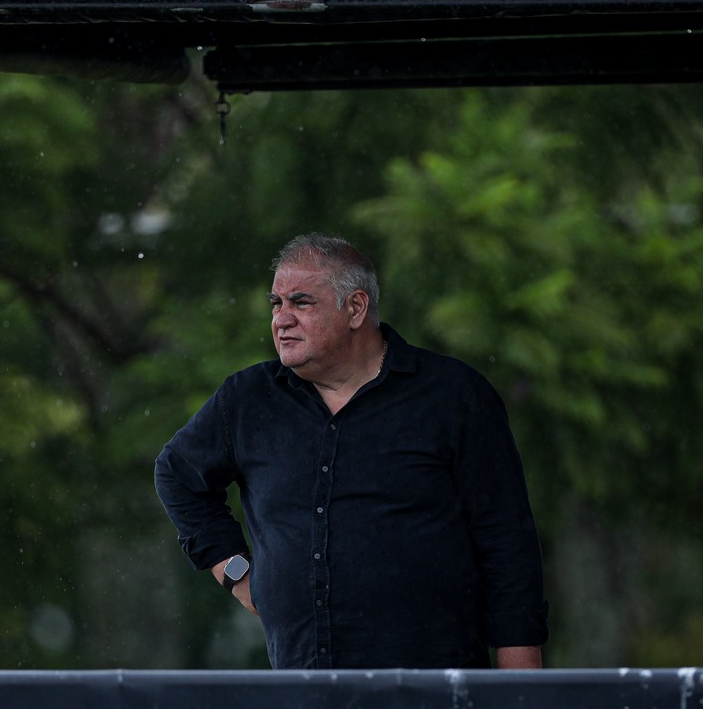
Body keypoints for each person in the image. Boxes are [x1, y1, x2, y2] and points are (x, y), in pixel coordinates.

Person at [154, 233, 548, 670]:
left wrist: (520, 683)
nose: (281, 319)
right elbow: (177, 474)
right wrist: (235, 572)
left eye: (301, 303)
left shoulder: (452, 396)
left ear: (356, 308)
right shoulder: (247, 400)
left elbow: (508, 545)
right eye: (275, 304)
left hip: (432, 685)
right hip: (304, 686)